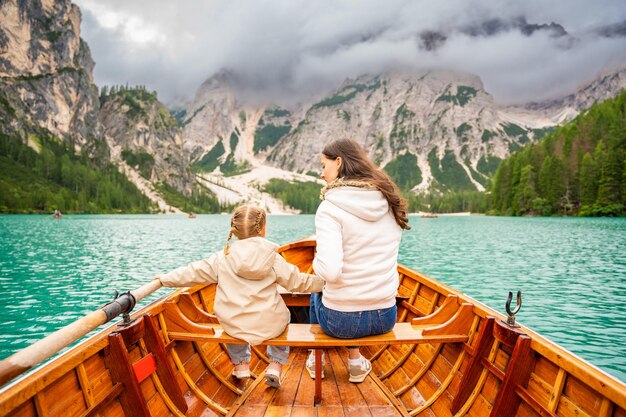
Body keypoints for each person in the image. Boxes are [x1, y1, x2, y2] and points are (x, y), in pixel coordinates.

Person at [154, 205, 324, 388]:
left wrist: (165, 279)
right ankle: (275, 364)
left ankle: (240, 364)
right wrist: (324, 283)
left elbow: (192, 273)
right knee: (285, 318)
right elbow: (297, 282)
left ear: (234, 230)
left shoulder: (222, 258)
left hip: (235, 325)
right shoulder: (273, 258)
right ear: (263, 228)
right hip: (269, 324)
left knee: (231, 321)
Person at [308, 139, 411, 383]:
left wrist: (316, 262)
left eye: (324, 166)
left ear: (339, 162)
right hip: (385, 316)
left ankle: (314, 357)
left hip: (341, 322)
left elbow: (330, 272)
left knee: (316, 289)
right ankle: (355, 363)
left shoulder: (330, 207)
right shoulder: (389, 202)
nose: (322, 174)